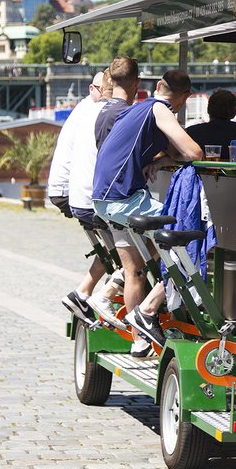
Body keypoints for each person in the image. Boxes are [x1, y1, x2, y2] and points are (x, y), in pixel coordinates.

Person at [92, 69, 202, 349]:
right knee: (188, 241)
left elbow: (173, 152)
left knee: (142, 264)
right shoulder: (160, 108)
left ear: (157, 86)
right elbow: (193, 153)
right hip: (121, 197)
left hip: (107, 197)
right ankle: (148, 309)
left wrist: (160, 161)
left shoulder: (138, 108)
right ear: (184, 97)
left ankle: (133, 315)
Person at [46, 70, 117, 325]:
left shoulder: (86, 109)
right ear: (92, 89)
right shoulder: (97, 111)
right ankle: (103, 293)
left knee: (113, 244)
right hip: (72, 192)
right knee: (127, 243)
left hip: (68, 191)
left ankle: (87, 292)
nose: (107, 94)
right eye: (104, 89)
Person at [186, 89, 236, 162]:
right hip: (235, 173)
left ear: (208, 109)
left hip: (200, 173)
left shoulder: (192, 132)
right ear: (234, 112)